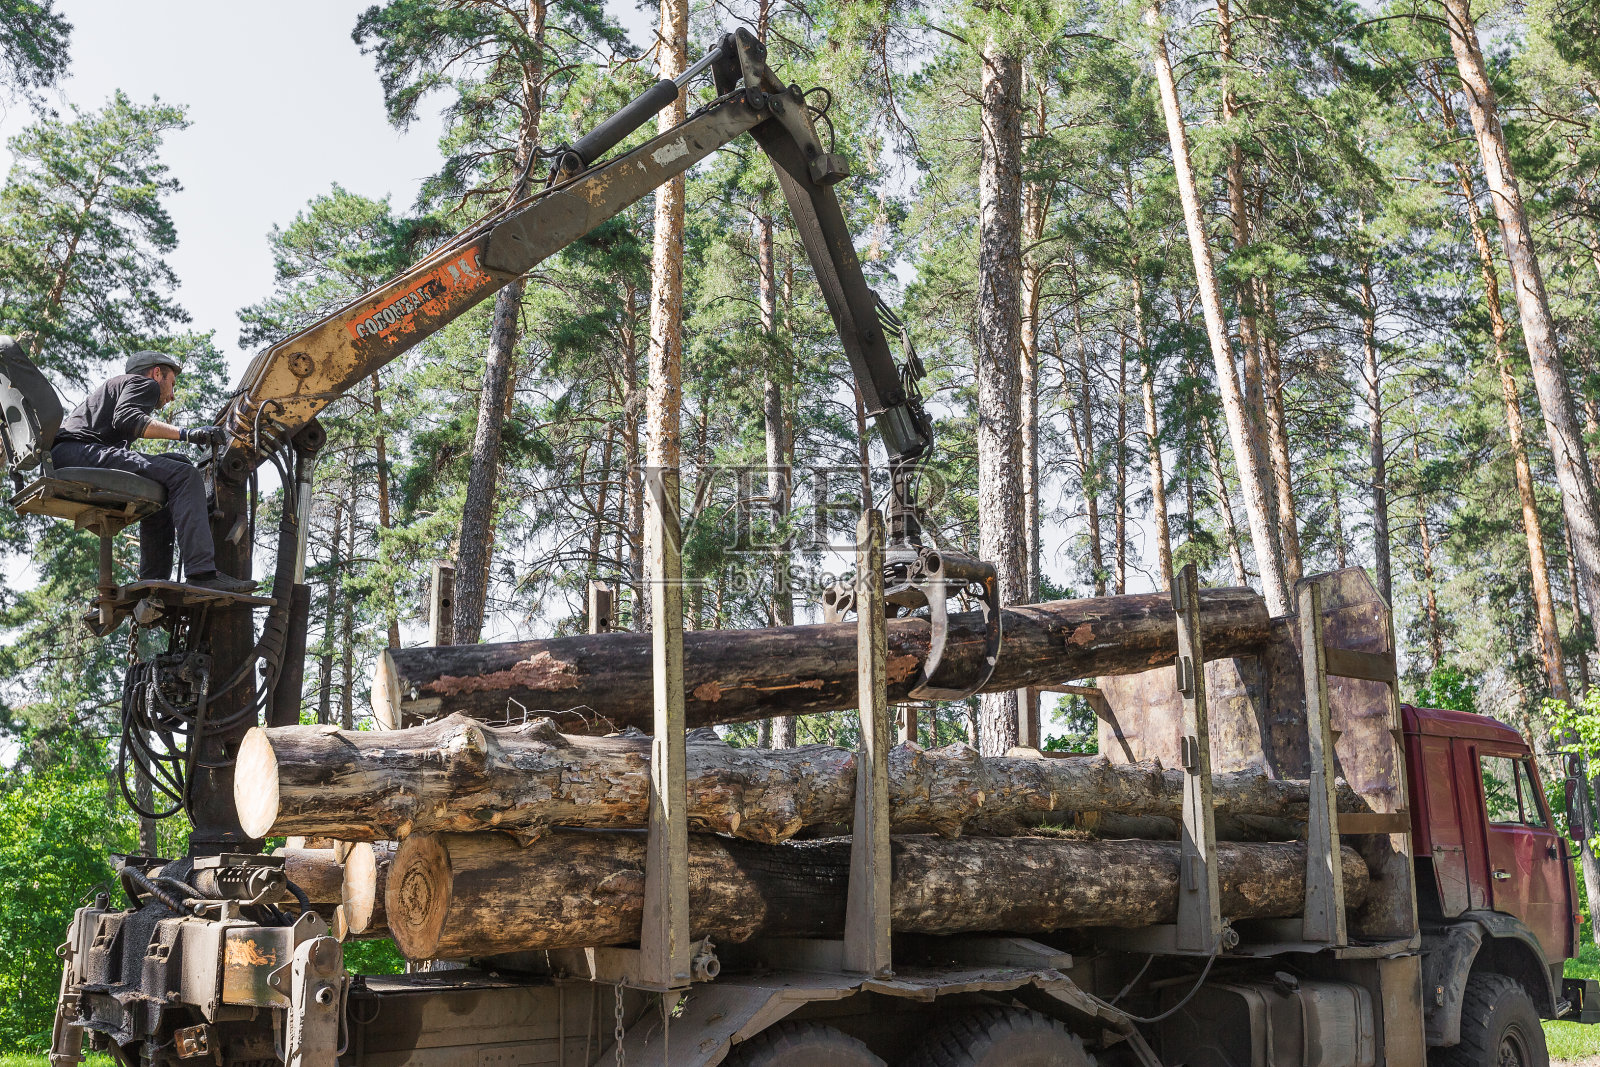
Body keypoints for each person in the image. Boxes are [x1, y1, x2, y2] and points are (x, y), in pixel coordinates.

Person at [51, 350, 255, 594]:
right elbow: (128, 420)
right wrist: (187, 433)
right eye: (172, 384)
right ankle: (201, 572)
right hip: (82, 453)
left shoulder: (120, 387)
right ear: (157, 373)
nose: (172, 395)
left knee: (174, 468)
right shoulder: (144, 384)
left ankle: (153, 581)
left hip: (74, 454)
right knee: (185, 475)